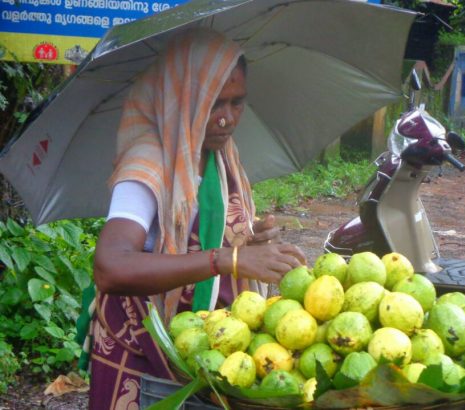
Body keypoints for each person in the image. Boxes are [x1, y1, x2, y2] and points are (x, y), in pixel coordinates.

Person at [88, 28, 306, 409]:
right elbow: (110, 267)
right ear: (183, 99)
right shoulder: (148, 164)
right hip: (145, 355)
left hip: (204, 347)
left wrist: (247, 237)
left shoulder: (219, 155)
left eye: (237, 103)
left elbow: (199, 229)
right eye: (213, 104)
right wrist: (226, 259)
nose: (226, 119)